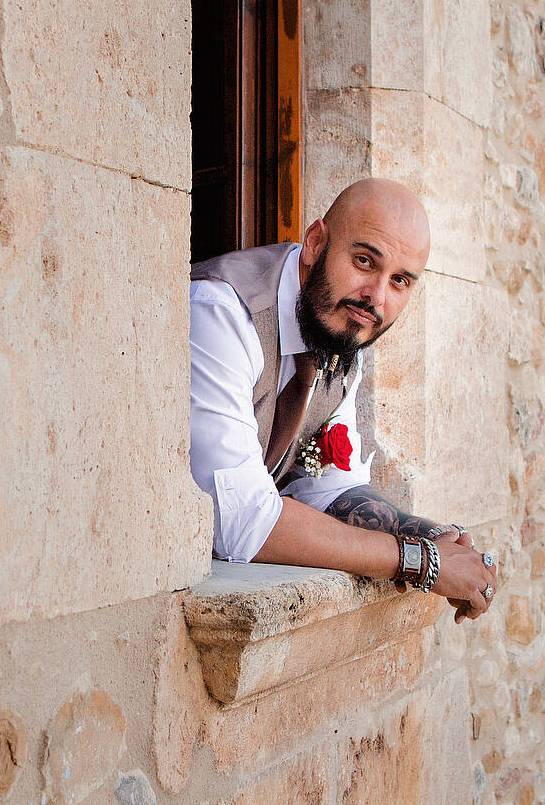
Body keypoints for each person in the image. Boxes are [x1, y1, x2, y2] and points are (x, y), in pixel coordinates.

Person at [189, 178, 498, 621]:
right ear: (315, 243)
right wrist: (422, 562)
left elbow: (329, 488)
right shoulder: (221, 311)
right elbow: (240, 524)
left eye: (400, 281)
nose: (376, 297)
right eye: (364, 260)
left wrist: (442, 541)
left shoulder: (340, 330)